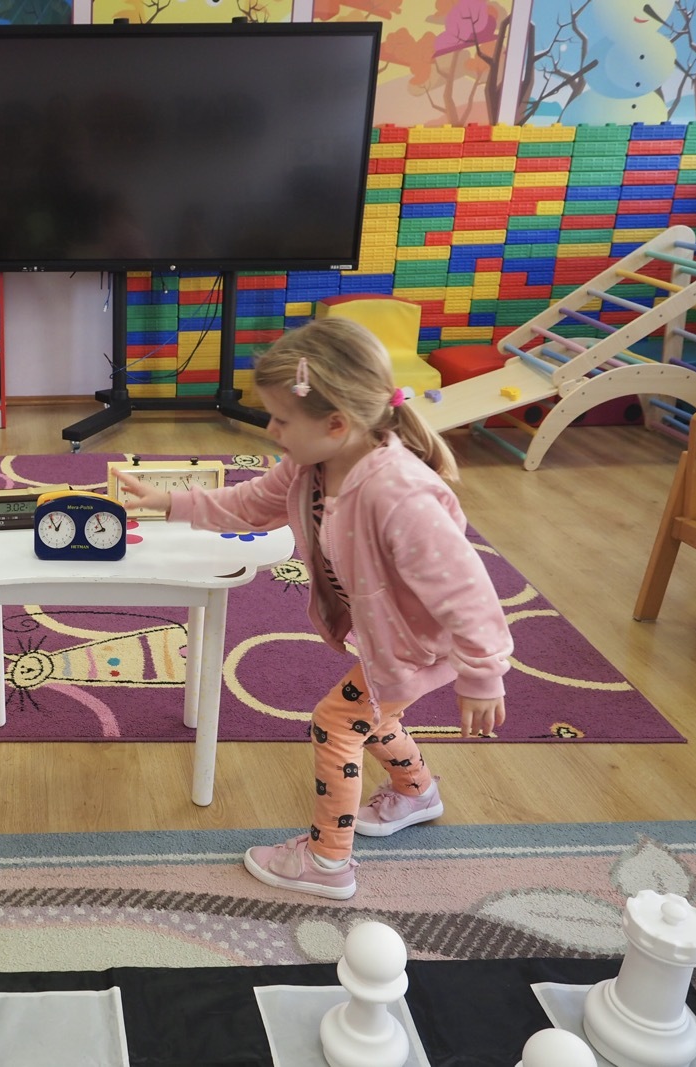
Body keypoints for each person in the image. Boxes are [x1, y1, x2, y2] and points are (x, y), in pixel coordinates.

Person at [116, 317, 513, 901]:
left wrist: (482, 675)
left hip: (413, 642)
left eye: (281, 418)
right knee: (375, 715)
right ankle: (416, 792)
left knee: (336, 724)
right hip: (385, 635)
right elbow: (252, 503)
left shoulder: (400, 495)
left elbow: (468, 592)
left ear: (336, 422)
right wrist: (172, 502)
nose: (270, 428)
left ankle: (328, 861)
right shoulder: (315, 464)